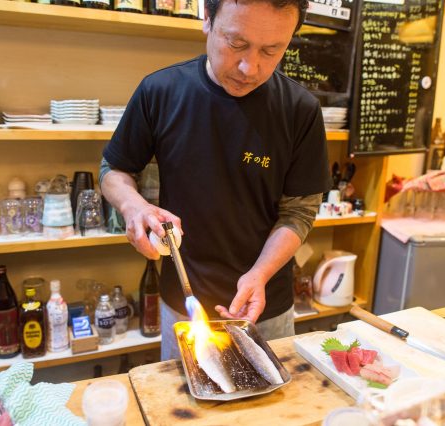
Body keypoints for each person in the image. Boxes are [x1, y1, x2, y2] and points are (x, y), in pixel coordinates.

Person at [100, 0, 332, 360]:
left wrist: (259, 274)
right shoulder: (160, 91)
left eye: (272, 50)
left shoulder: (300, 111)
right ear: (206, 19)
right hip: (184, 303)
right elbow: (113, 170)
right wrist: (134, 206)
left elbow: (299, 213)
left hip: (265, 305)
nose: (249, 67)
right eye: (236, 43)